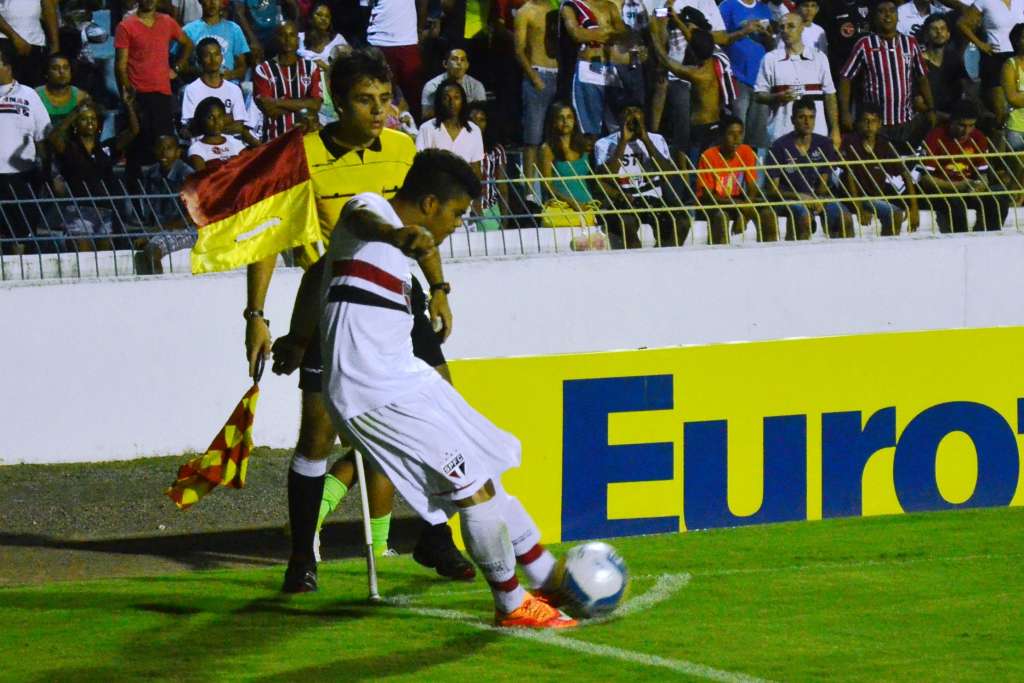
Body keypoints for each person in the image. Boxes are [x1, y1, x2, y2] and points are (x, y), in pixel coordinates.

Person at [276, 148, 578, 629]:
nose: (458, 224)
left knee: (485, 471)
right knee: (469, 486)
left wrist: (437, 287)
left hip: (405, 379)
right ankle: (511, 603)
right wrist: (397, 236)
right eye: (457, 214)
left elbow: (319, 275)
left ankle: (544, 576)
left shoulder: (395, 256)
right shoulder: (369, 210)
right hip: (372, 390)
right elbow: (375, 223)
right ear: (431, 203)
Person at [242, 48, 475, 592]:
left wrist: (437, 287)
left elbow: (423, 214)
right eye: (364, 100)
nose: (378, 111)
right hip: (335, 300)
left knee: (440, 406)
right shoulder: (301, 156)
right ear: (336, 102)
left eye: (384, 99)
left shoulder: (401, 146)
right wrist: (257, 316)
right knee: (317, 435)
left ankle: (435, 534)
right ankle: (303, 556)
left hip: (401, 296)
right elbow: (270, 241)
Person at [114, 0, 193, 183]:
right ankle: (137, 203)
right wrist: (128, 94)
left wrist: (178, 68)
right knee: (137, 151)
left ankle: (164, 197)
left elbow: (188, 44)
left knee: (163, 150)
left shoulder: (167, 21)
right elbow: (120, 66)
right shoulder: (126, 26)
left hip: (162, 96)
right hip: (138, 97)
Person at [839, 1, 935, 151]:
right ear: (875, 17)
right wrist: (845, 112)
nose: (887, 15)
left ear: (898, 16)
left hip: (906, 123)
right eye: (882, 11)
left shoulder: (910, 43)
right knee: (878, 169)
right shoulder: (865, 44)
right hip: (876, 126)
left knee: (905, 165)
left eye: (891, 11)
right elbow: (846, 78)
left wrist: (931, 108)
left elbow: (922, 77)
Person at [593, 100, 689, 248]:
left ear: (644, 116)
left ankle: (663, 258)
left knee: (682, 222)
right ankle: (638, 263)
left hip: (653, 198)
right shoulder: (604, 143)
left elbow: (668, 173)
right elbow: (607, 175)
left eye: (636, 111)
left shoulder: (657, 139)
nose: (632, 116)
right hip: (624, 199)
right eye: (627, 112)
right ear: (619, 118)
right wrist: (623, 142)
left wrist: (645, 140)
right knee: (627, 223)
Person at [766, 96, 853, 239]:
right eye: (802, 117)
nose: (807, 122)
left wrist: (817, 200)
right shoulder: (779, 146)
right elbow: (772, 190)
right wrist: (799, 197)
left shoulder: (824, 144)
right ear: (793, 119)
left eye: (811, 117)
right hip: (789, 199)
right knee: (803, 218)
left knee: (846, 218)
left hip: (817, 198)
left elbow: (823, 185)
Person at [754, 11, 841, 149]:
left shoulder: (819, 57)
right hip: (780, 134)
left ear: (801, 28)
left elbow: (830, 95)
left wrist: (835, 129)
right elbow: (759, 95)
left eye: (790, 26)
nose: (785, 31)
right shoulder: (770, 59)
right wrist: (777, 97)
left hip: (816, 134)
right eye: (782, 27)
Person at [921, 99, 1009, 232]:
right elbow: (925, 178)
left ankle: (988, 234)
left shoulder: (978, 137)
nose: (966, 131)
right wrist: (956, 186)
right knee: (956, 202)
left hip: (968, 188)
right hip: (943, 191)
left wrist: (981, 185)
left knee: (1000, 194)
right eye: (962, 125)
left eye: (971, 125)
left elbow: (983, 173)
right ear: (951, 122)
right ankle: (961, 239)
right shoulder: (936, 137)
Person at [0, 42, 51, 253]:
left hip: (21, 176)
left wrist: (47, 171)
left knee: (20, 232)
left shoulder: (28, 95)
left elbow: (43, 135)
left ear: (8, 67)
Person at [696, 115, 779, 243]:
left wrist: (744, 213)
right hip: (715, 203)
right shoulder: (708, 156)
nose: (736, 139)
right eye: (731, 134)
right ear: (721, 136)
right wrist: (739, 206)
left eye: (740, 133)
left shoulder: (746, 151)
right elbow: (708, 196)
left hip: (738, 201)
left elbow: (752, 187)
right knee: (720, 217)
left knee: (768, 214)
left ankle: (769, 255)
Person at [840, 104, 918, 236]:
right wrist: (858, 207)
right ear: (858, 123)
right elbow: (849, 174)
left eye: (874, 121)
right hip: (853, 197)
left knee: (896, 214)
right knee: (895, 213)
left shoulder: (884, 145)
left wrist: (914, 207)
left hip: (876, 197)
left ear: (880, 124)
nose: (869, 124)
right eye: (865, 121)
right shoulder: (850, 142)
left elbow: (905, 173)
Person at [649, 22, 722, 163]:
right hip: (715, 123)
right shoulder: (714, 61)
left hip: (700, 129)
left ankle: (688, 183)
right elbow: (697, 44)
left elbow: (666, 61)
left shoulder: (697, 74)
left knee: (695, 166)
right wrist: (676, 20)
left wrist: (654, 34)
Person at [560, 0, 630, 135]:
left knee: (618, 126)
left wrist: (595, 33)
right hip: (588, 70)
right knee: (589, 130)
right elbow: (577, 34)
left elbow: (623, 34)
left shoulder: (609, 6)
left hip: (610, 70)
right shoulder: (570, 6)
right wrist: (608, 32)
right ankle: (591, 156)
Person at [134, 135, 196, 274]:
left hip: (185, 229)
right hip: (159, 228)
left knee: (152, 251)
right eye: (160, 148)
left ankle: (158, 290)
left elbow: (191, 217)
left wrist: (154, 231)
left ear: (178, 152)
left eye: (169, 148)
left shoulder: (187, 175)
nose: (164, 152)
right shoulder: (151, 173)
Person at [719, 0, 775, 153]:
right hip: (737, 77)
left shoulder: (764, 9)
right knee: (735, 133)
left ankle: (752, 175)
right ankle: (731, 174)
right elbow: (719, 39)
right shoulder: (727, 6)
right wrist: (744, 31)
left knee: (756, 136)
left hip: (761, 80)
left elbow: (771, 47)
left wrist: (768, 36)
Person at [252, 21, 322, 142]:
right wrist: (304, 105)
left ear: (298, 39)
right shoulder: (263, 70)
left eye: (291, 35)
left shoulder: (311, 68)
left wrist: (276, 102)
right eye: (282, 35)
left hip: (306, 138)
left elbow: (315, 105)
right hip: (275, 141)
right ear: (276, 39)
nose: (287, 39)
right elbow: (269, 111)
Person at [514, 0, 559, 187]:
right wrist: (534, 78)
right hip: (538, 74)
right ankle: (530, 189)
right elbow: (519, 50)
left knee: (556, 136)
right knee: (532, 137)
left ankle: (554, 188)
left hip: (559, 74)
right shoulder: (525, 12)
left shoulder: (555, 8)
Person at [957, 0, 1024, 125]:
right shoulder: (985, 1)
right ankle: (997, 141)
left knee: (1018, 106)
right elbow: (962, 23)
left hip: (1018, 57)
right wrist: (980, 44)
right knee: (1000, 110)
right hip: (995, 58)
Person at [366, 0, 427, 120]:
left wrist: (419, 30)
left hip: (408, 39)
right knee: (379, 91)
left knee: (413, 95)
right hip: (379, 39)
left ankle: (414, 132)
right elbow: (365, 7)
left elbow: (423, 3)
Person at [180, 37, 251, 138]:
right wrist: (228, 118)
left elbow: (239, 126)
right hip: (203, 148)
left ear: (222, 57)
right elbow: (190, 127)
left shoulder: (234, 89)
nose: (213, 60)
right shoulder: (191, 90)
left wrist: (208, 122)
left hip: (231, 147)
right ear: (199, 60)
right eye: (207, 55)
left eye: (216, 54)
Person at [538, 101, 601, 212]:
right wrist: (571, 202)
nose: (565, 121)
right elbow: (547, 185)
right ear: (554, 122)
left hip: (589, 207)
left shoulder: (584, 145)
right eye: (560, 118)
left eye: (569, 117)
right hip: (563, 209)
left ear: (575, 121)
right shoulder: (547, 149)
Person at [415, 80, 484, 177]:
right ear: (440, 101)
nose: (452, 102)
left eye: (456, 97)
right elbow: (420, 166)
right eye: (446, 98)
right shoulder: (426, 129)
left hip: (464, 189)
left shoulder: (474, 130)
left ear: (463, 100)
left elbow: (476, 170)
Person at [298, 2, 349, 125]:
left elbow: (347, 69)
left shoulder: (338, 40)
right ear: (310, 18)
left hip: (328, 89)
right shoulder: (299, 38)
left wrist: (323, 65)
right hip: (303, 86)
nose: (323, 19)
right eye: (319, 15)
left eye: (327, 16)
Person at [182, 0, 251, 82]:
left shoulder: (234, 29)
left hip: (227, 86)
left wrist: (228, 75)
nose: (212, 3)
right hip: (199, 87)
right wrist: (201, 73)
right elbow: (181, 65)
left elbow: (242, 67)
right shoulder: (188, 30)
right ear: (200, 1)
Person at [920, 14, 970, 125]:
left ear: (948, 34)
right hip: (927, 119)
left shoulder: (955, 60)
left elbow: (965, 90)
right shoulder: (919, 62)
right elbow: (917, 101)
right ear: (926, 35)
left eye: (943, 29)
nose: (939, 32)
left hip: (954, 120)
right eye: (934, 29)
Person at [467, 102, 508, 230]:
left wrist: (505, 220)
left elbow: (503, 187)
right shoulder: (460, 148)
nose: (477, 125)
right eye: (472, 120)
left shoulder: (496, 150)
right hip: (465, 211)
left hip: (490, 210)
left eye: (482, 120)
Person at [0, 0, 59, 87]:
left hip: (36, 42)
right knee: (6, 90)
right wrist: (15, 37)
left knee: (35, 91)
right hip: (4, 40)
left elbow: (49, 9)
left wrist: (55, 43)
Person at [186, 96, 254, 171]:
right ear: (201, 120)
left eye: (220, 116)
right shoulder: (196, 149)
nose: (217, 122)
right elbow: (201, 179)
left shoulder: (236, 144)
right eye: (210, 117)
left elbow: (249, 169)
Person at [420, 48, 486, 120]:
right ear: (445, 64)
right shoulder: (432, 85)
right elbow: (426, 116)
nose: (459, 63)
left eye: (462, 60)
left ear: (467, 65)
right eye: (454, 59)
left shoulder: (476, 86)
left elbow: (481, 114)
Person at [35, 53, 91, 129]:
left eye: (66, 68)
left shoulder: (81, 97)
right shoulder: (36, 95)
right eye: (55, 68)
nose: (62, 72)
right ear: (46, 73)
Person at [236, 0, 299, 64]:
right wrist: (252, 39)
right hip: (255, 35)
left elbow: (292, 7)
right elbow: (239, 13)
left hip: (276, 34)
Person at [1002, 22, 1024, 151]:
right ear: (1016, 41)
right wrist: (1017, 97)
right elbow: (1012, 98)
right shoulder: (1010, 65)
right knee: (1016, 170)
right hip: (1017, 127)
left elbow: (1018, 97)